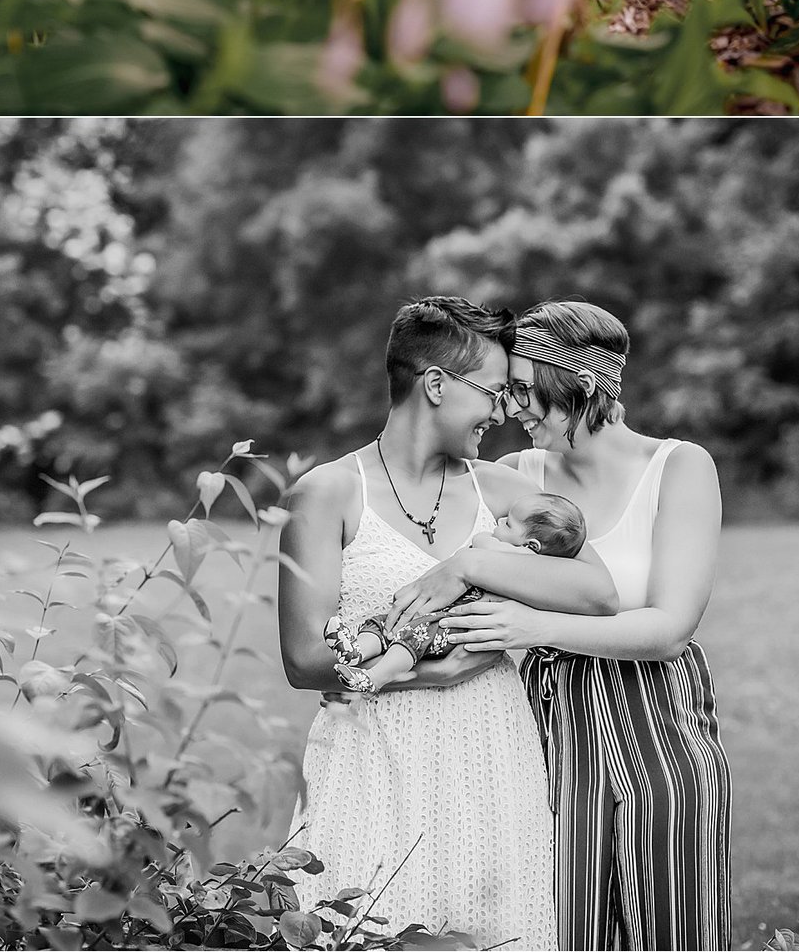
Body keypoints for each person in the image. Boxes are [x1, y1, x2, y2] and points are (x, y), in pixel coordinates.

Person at [386, 300, 733, 950]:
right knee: (563, 931)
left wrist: (529, 626)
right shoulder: (520, 477)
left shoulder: (679, 468)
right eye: (506, 389)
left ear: (583, 385)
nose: (510, 408)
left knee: (674, 927)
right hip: (547, 735)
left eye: (525, 391)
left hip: (659, 729)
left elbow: (669, 629)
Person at [278, 296, 619, 946]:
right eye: (492, 391)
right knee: (360, 930)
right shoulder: (326, 494)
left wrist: (468, 567)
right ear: (436, 384)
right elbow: (302, 658)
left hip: (492, 761)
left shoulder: (506, 494)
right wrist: (439, 672)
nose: (502, 411)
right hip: (371, 765)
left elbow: (596, 592)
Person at [325, 491, 586, 692]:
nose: (500, 520)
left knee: (412, 639)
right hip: (435, 616)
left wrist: (513, 555)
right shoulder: (528, 569)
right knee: (385, 624)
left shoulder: (521, 565)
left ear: (530, 546)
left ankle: (375, 678)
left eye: (509, 525)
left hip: (452, 626)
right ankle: (355, 650)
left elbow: (481, 541)